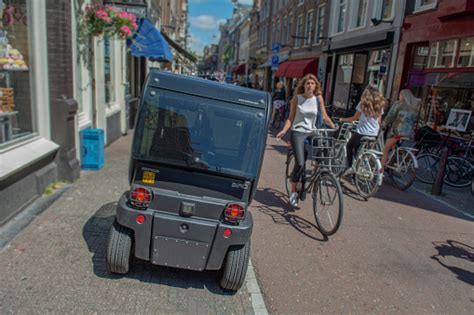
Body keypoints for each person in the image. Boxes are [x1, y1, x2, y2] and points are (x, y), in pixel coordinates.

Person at [276, 74, 335, 207]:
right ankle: (293, 191)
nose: (310, 86)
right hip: (298, 132)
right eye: (308, 83)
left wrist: (334, 127)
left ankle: (318, 171)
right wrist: (284, 131)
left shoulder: (318, 98)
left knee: (324, 144)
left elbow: (325, 116)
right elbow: (291, 118)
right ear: (304, 85)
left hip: (311, 131)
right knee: (301, 163)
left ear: (316, 86)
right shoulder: (297, 99)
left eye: (312, 84)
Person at [340, 86, 385, 176]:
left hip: (362, 132)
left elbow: (354, 118)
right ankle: (357, 171)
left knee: (349, 146)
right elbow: (379, 122)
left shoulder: (363, 103)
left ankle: (350, 167)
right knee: (358, 150)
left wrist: (343, 119)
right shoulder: (379, 105)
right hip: (374, 133)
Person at [381, 89, 419, 167]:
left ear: (403, 96)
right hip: (409, 133)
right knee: (395, 148)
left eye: (400, 95)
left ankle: (381, 171)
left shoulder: (398, 104)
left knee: (386, 149)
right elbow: (417, 119)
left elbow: (390, 116)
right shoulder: (414, 107)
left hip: (397, 132)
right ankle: (391, 167)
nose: (399, 97)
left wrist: (383, 124)